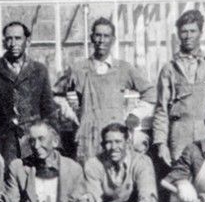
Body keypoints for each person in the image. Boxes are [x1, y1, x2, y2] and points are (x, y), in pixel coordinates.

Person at [53, 17, 155, 164]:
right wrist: (73, 116)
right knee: (90, 179)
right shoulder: (78, 68)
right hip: (88, 137)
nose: (101, 40)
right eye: (98, 35)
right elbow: (56, 94)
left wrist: (135, 114)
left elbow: (151, 93)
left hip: (116, 135)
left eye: (106, 36)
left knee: (116, 179)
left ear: (113, 40)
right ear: (91, 38)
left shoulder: (124, 68)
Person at [152, 10, 205, 170]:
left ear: (201, 33)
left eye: (192, 31)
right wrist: (161, 143)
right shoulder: (169, 69)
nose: (188, 36)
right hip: (180, 134)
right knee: (181, 182)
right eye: (184, 32)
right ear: (178, 34)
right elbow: (161, 109)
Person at [0, 20, 58, 165]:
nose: (13, 43)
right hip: (5, 141)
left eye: (18, 38)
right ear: (4, 43)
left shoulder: (39, 70)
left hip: (34, 139)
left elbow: (48, 109)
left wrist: (50, 138)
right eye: (9, 39)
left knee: (35, 178)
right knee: (9, 179)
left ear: (28, 42)